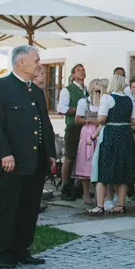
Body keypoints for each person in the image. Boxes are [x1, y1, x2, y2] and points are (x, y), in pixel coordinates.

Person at [0, 46, 57, 269]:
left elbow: (45, 124)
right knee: (8, 207)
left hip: (35, 160)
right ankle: (4, 253)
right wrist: (4, 152)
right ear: (20, 62)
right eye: (36, 60)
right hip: (10, 161)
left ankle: (21, 248)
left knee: (29, 206)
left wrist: (50, 153)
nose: (39, 64)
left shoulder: (35, 91)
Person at [89, 73, 135, 215]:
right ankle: (120, 204)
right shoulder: (129, 100)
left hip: (111, 134)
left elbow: (102, 119)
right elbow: (134, 121)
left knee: (103, 168)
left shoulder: (107, 98)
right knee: (122, 170)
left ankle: (99, 205)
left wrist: (100, 116)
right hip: (126, 134)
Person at [57, 64, 87, 199]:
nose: (82, 72)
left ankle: (79, 186)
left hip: (85, 127)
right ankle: (65, 186)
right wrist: (79, 109)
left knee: (83, 157)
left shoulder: (87, 90)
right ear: (73, 75)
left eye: (83, 70)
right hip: (73, 126)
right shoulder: (67, 90)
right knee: (70, 157)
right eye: (79, 70)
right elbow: (61, 108)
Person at [73, 78, 104, 206]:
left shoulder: (104, 101)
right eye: (96, 88)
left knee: (100, 161)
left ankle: (99, 193)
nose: (97, 91)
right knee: (86, 162)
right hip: (88, 132)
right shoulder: (84, 102)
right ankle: (86, 193)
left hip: (101, 131)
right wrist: (91, 121)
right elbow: (77, 119)